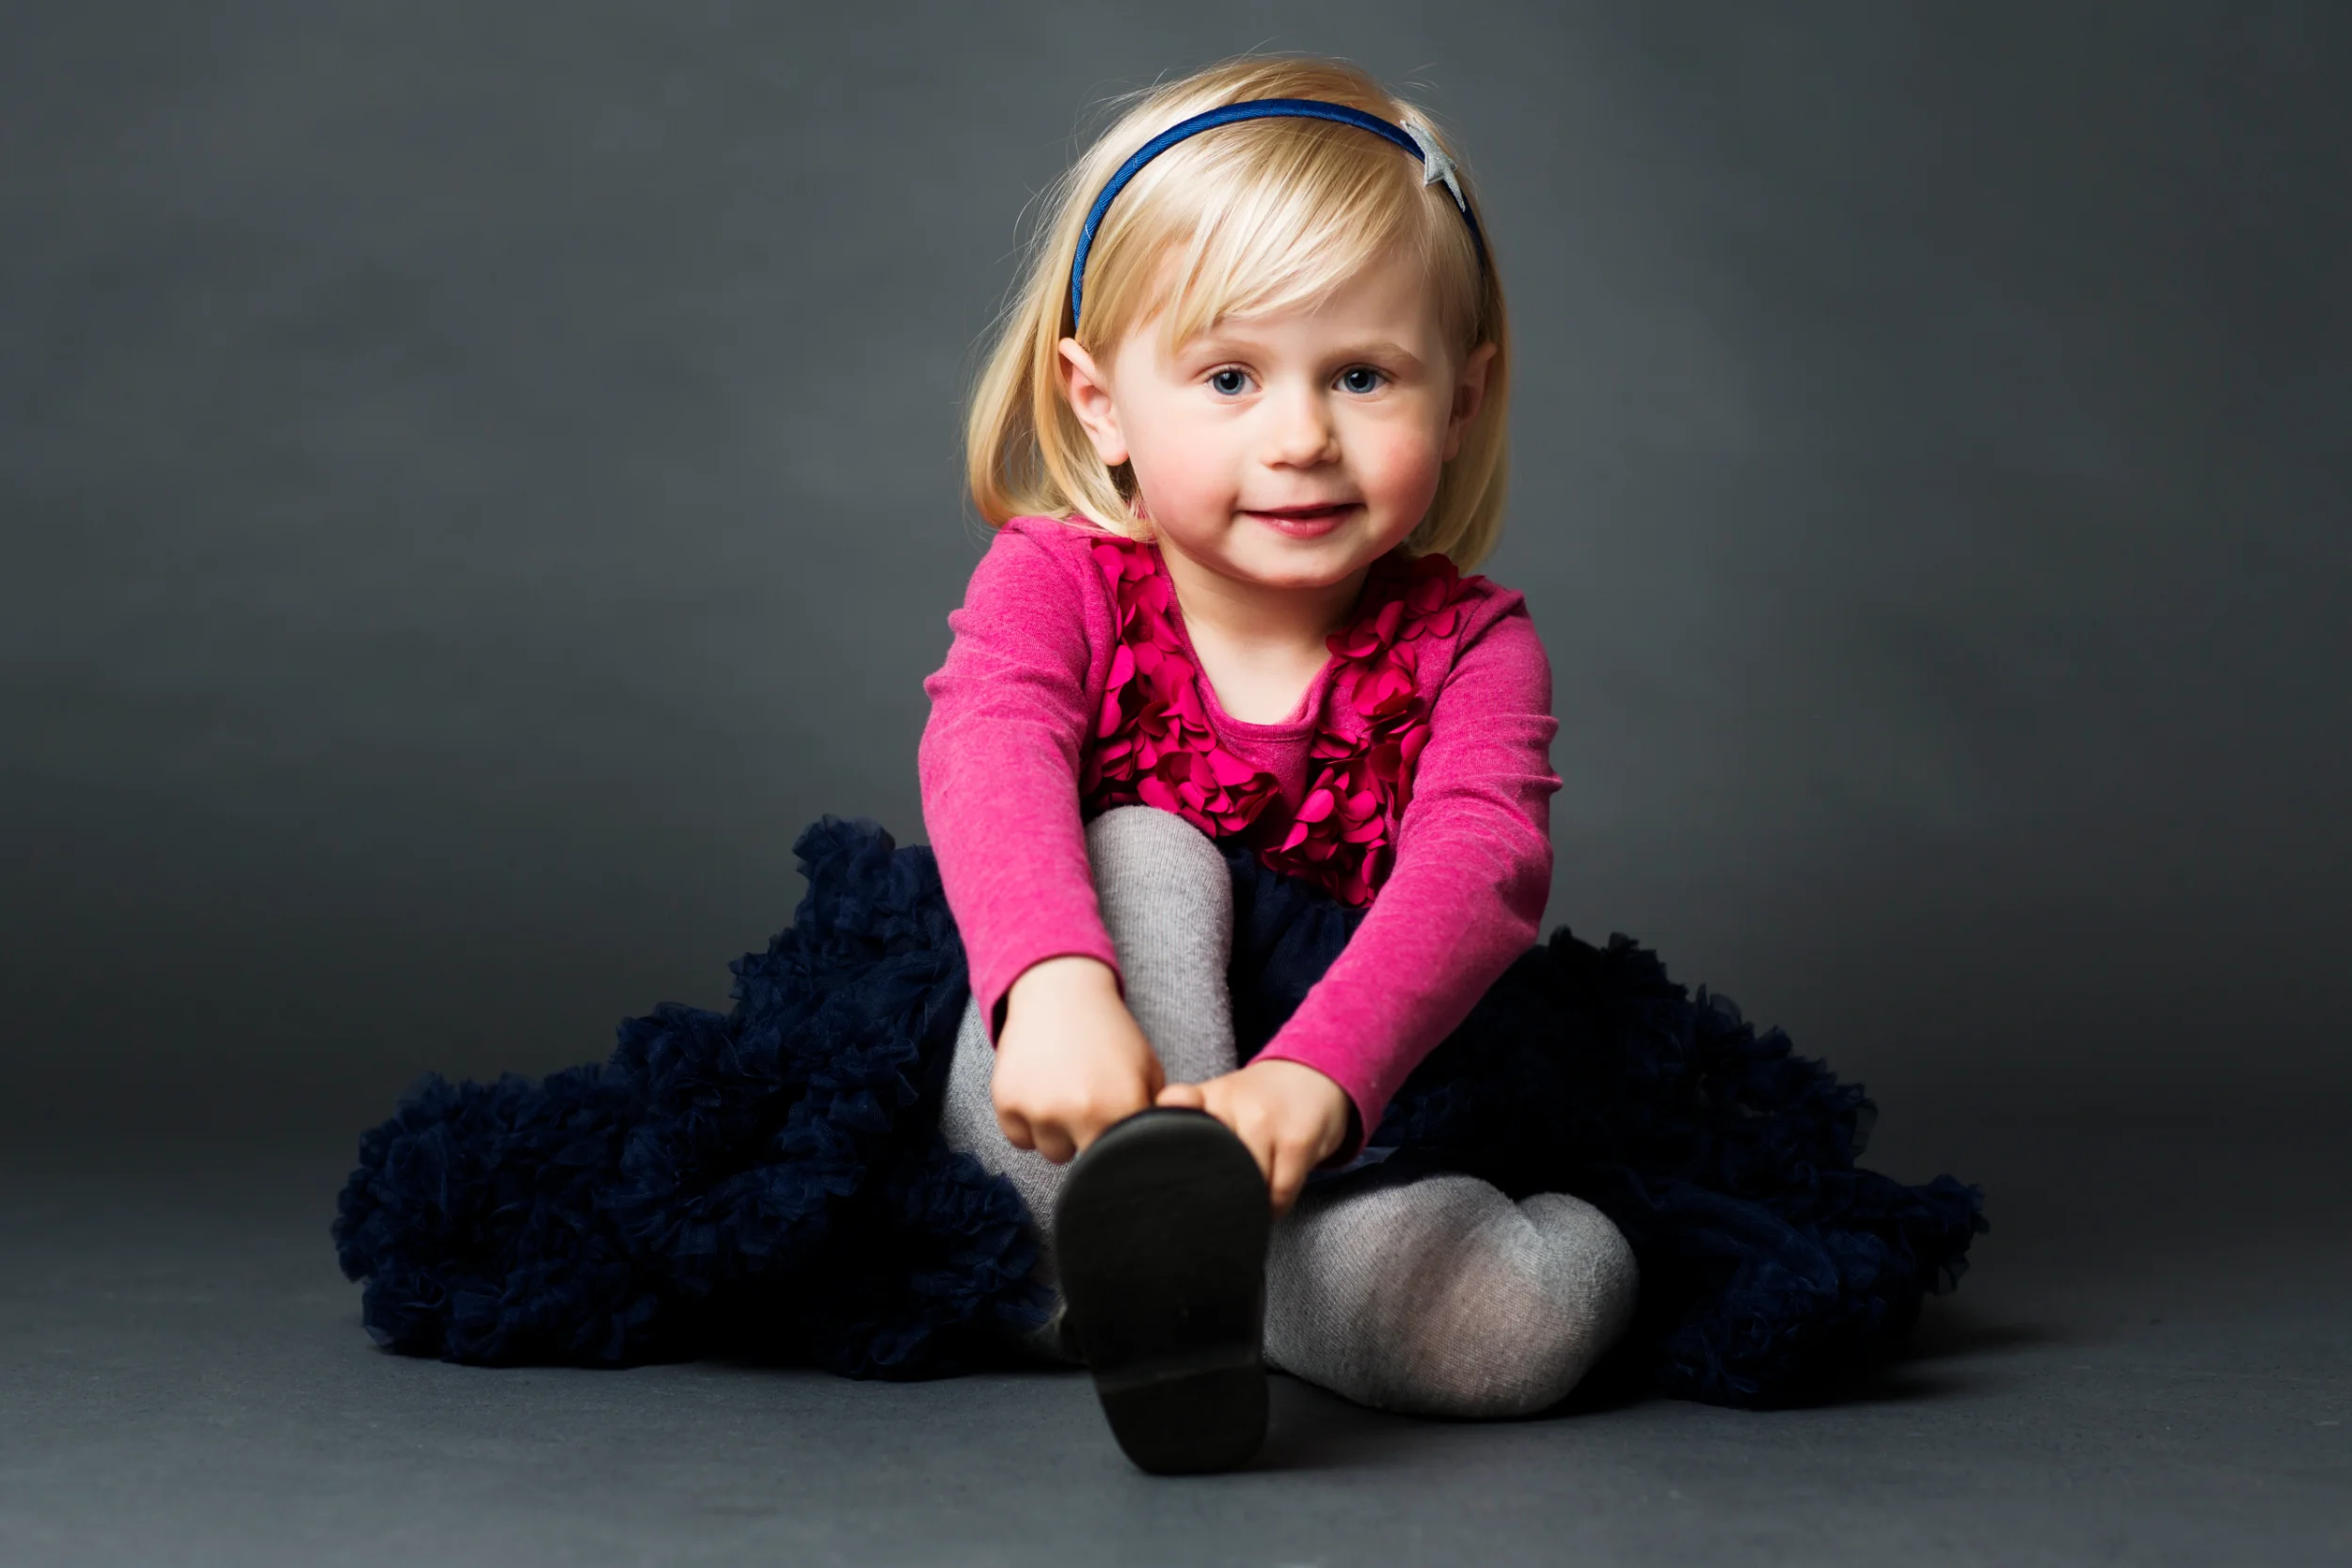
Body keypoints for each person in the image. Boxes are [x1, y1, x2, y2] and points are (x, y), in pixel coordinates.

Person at [333, 55, 1984, 1476]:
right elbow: (988, 740)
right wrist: (1051, 982)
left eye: (1362, 374)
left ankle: (1195, 1283)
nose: (1299, 436)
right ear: (1099, 400)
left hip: (1350, 1096)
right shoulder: (1062, 577)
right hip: (1071, 1054)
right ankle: (1126, 1213)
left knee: (1522, 1320)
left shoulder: (1477, 645)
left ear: (1465, 398)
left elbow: (1480, 869)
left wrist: (1315, 1082)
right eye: (1228, 375)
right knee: (1149, 849)